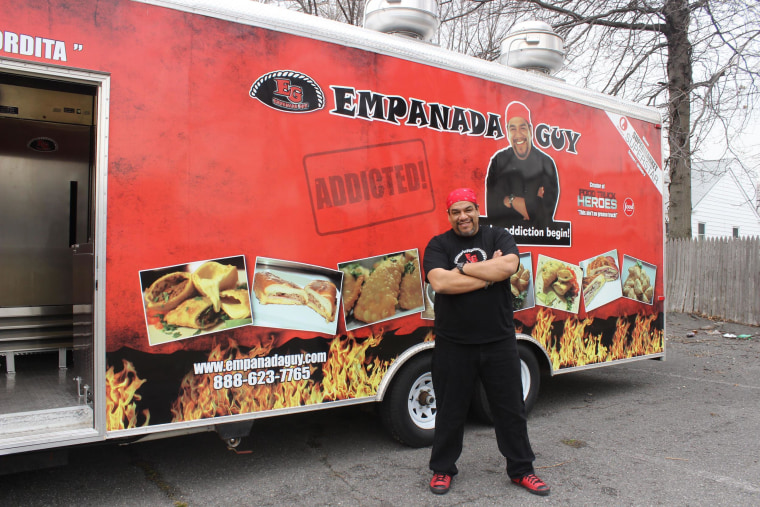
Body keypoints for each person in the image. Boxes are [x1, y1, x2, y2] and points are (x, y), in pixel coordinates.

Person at [422, 187, 550, 497]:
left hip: (499, 341)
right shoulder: (439, 244)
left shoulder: (498, 236)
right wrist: (488, 275)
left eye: (468, 209)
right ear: (449, 215)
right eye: (456, 211)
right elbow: (440, 281)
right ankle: (442, 469)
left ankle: (522, 470)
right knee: (451, 410)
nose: (463, 216)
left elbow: (509, 266)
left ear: (477, 209)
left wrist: (463, 269)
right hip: (454, 343)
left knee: (510, 410)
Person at [485, 101, 559, 228]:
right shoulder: (499, 162)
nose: (518, 134)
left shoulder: (546, 163)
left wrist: (509, 200)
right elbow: (493, 212)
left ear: (530, 130)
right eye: (513, 129)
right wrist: (532, 203)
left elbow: (545, 215)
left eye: (522, 128)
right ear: (507, 131)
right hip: (504, 239)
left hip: (538, 238)